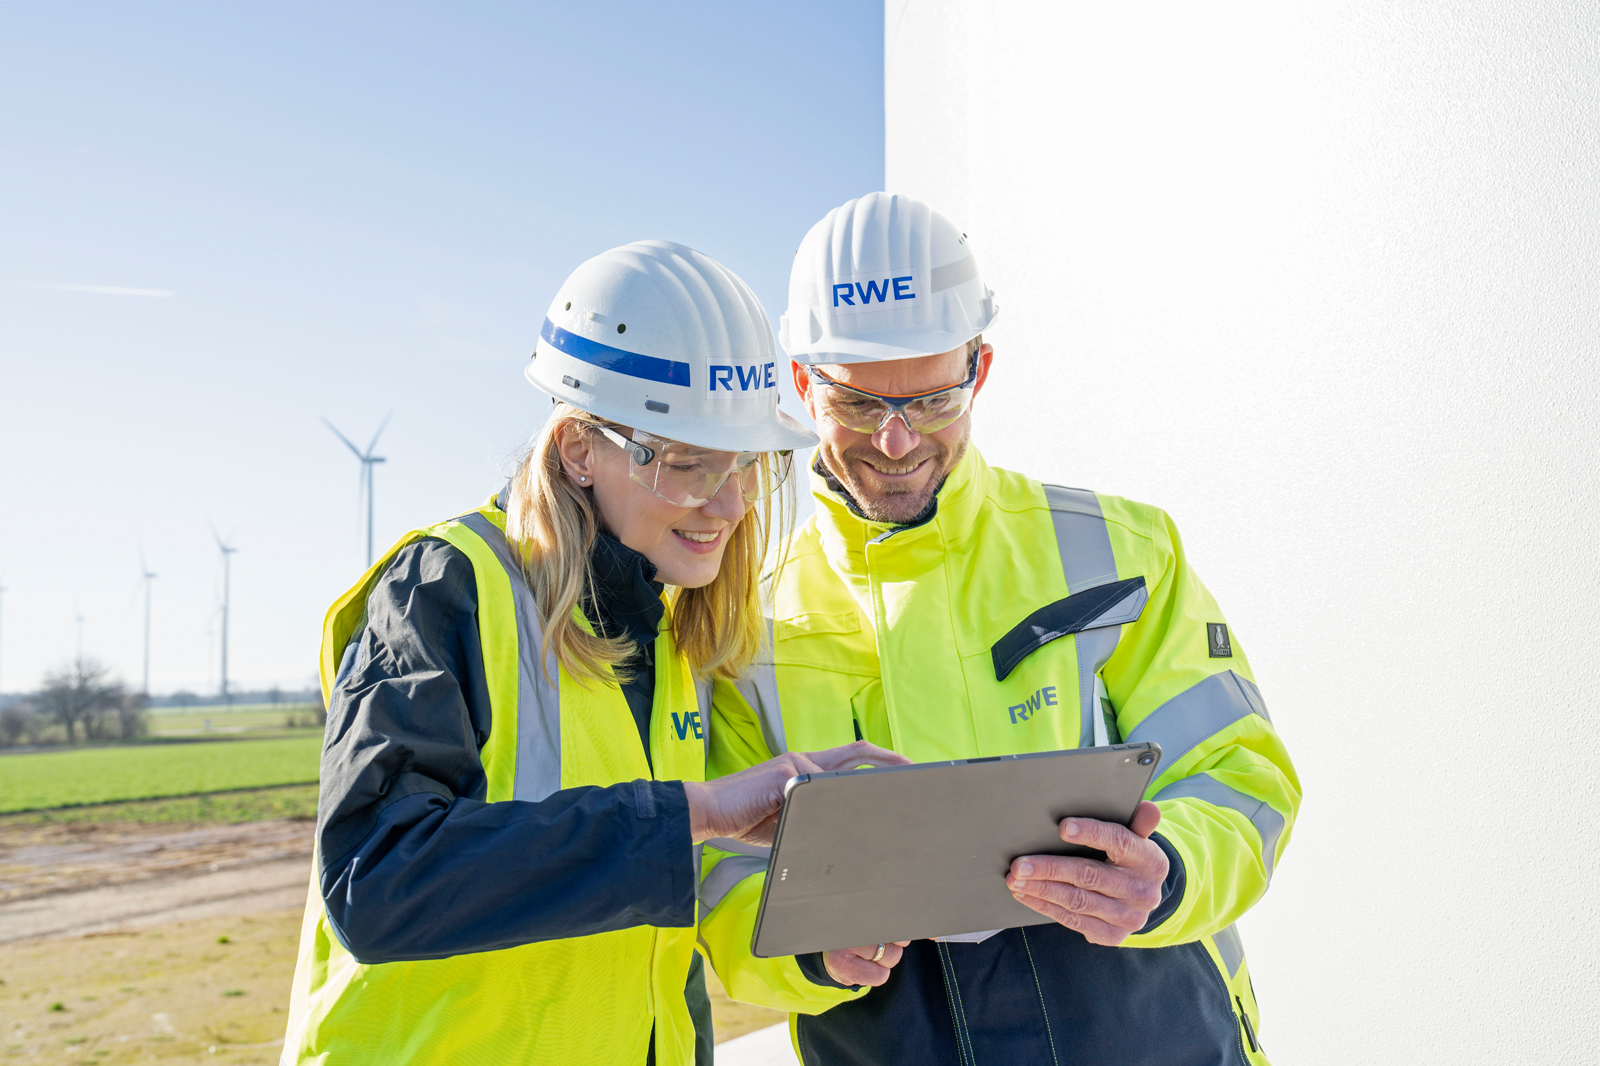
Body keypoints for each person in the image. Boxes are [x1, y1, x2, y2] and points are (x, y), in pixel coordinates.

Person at [700, 194, 1302, 1065]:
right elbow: (721, 880)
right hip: (891, 1033)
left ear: (978, 370)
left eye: (934, 400)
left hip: (1150, 1021)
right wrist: (809, 955)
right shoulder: (739, 622)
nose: (899, 441)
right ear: (803, 384)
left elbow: (1243, 777)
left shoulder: (1119, 552)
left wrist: (1167, 874)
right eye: (862, 406)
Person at [280, 240, 912, 1066]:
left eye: (747, 466)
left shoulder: (671, 634)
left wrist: (816, 948)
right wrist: (696, 812)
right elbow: (378, 881)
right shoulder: (445, 591)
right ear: (581, 449)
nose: (728, 504)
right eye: (687, 464)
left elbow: (656, 923)